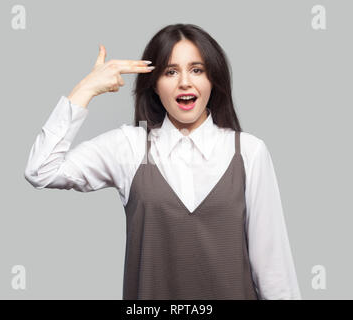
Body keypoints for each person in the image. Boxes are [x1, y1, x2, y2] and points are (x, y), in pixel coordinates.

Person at [24, 23, 301, 300]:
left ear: (212, 79)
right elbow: (40, 171)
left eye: (197, 70)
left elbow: (274, 273)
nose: (184, 82)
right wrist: (86, 89)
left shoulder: (249, 152)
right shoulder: (130, 148)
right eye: (170, 72)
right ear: (154, 84)